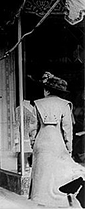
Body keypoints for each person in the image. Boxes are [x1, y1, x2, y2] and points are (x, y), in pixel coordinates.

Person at [29, 71, 85, 208]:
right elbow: (67, 130)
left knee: (42, 175)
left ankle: (42, 202)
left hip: (41, 143)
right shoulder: (65, 105)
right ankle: (58, 201)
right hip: (57, 143)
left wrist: (33, 144)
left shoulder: (37, 104)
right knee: (57, 175)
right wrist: (69, 149)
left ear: (47, 90)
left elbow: (32, 128)